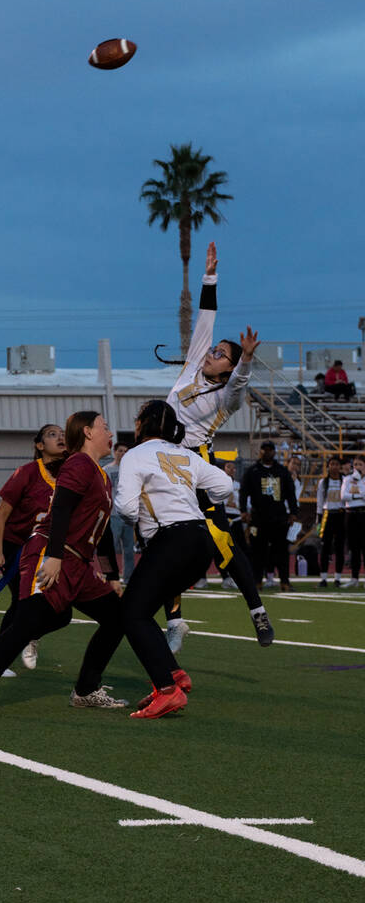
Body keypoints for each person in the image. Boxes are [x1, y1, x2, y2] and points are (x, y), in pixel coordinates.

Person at [0, 411, 126, 717]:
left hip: (78, 563)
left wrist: (112, 574)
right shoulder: (79, 463)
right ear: (88, 432)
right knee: (27, 623)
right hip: (53, 553)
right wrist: (54, 556)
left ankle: (87, 689)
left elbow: (103, 530)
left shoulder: (100, 474)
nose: (111, 433)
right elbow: (60, 509)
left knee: (118, 617)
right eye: (105, 427)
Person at [157, 241, 273, 648]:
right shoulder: (193, 363)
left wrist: (243, 363)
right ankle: (174, 621)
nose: (211, 353)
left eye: (220, 354)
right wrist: (209, 275)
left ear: (228, 369)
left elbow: (240, 385)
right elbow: (206, 316)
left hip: (198, 465)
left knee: (221, 540)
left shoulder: (227, 396)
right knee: (162, 538)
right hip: (165, 463)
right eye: (216, 349)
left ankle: (257, 611)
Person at [115, 400, 233, 718]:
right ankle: (173, 675)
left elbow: (125, 508)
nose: (135, 422)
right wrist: (193, 498)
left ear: (147, 422)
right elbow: (224, 484)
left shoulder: (135, 455)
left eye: (138, 417)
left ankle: (168, 690)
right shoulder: (185, 455)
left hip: (171, 540)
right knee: (141, 611)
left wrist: (141, 515)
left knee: (131, 614)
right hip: (200, 541)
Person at [0, 424, 67, 668]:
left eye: (62, 433)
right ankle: (0, 660)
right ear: (39, 445)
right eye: (53, 434)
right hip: (18, 546)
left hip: (49, 550)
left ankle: (31, 635)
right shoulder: (28, 472)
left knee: (61, 610)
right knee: (20, 601)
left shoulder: (71, 474)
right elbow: (1, 514)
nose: (60, 437)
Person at [240, 441, 298, 591]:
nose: (267, 452)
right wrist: (243, 511)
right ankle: (256, 581)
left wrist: (293, 513)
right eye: (264, 450)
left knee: (282, 552)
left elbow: (291, 494)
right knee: (257, 551)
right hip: (258, 517)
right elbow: (243, 492)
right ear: (260, 452)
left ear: (274, 452)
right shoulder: (252, 471)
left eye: (270, 450)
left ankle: (284, 581)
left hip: (279, 517)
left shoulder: (282, 471)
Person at [104, 441, 136, 583]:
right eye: (120, 451)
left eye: (125, 451)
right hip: (113, 515)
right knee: (110, 548)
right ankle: (109, 577)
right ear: (114, 452)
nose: (123, 454)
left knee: (129, 550)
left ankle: (128, 578)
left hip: (127, 515)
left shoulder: (131, 470)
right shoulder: (107, 470)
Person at [316, 456, 346, 587]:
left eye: (336, 464)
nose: (334, 467)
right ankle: (323, 578)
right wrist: (319, 518)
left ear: (340, 467)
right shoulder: (323, 482)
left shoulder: (344, 480)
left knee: (339, 547)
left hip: (341, 514)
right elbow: (320, 501)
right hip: (327, 515)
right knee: (325, 547)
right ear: (328, 466)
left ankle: (338, 578)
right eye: (331, 464)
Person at [342, 456, 365, 588]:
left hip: (364, 515)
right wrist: (358, 496)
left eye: (360, 464)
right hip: (351, 515)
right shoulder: (347, 479)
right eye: (355, 464)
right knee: (354, 548)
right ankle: (354, 578)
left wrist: (359, 484)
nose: (357, 467)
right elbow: (343, 496)